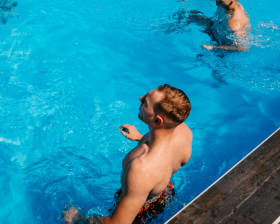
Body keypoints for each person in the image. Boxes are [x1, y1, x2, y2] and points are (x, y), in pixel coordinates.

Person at [64, 84, 193, 224]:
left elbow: (116, 223)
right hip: (164, 192)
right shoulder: (183, 131)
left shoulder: (141, 169)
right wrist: (140, 138)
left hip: (140, 211)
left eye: (145, 102)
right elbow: (165, 152)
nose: (140, 98)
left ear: (157, 121)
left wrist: (78, 219)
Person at [177, 0, 251, 51]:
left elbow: (243, 48)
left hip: (222, 43)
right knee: (188, 14)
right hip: (214, 27)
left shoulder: (235, 23)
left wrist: (213, 47)